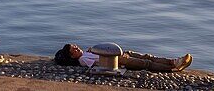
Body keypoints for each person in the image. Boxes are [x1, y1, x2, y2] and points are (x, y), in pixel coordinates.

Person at [54, 43, 192, 72]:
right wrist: (119, 63)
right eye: (75, 49)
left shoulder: (85, 53)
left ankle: (174, 61)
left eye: (76, 46)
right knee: (145, 63)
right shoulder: (82, 59)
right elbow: (97, 64)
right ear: (72, 56)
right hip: (118, 60)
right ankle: (172, 67)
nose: (78, 48)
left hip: (120, 54)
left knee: (147, 56)